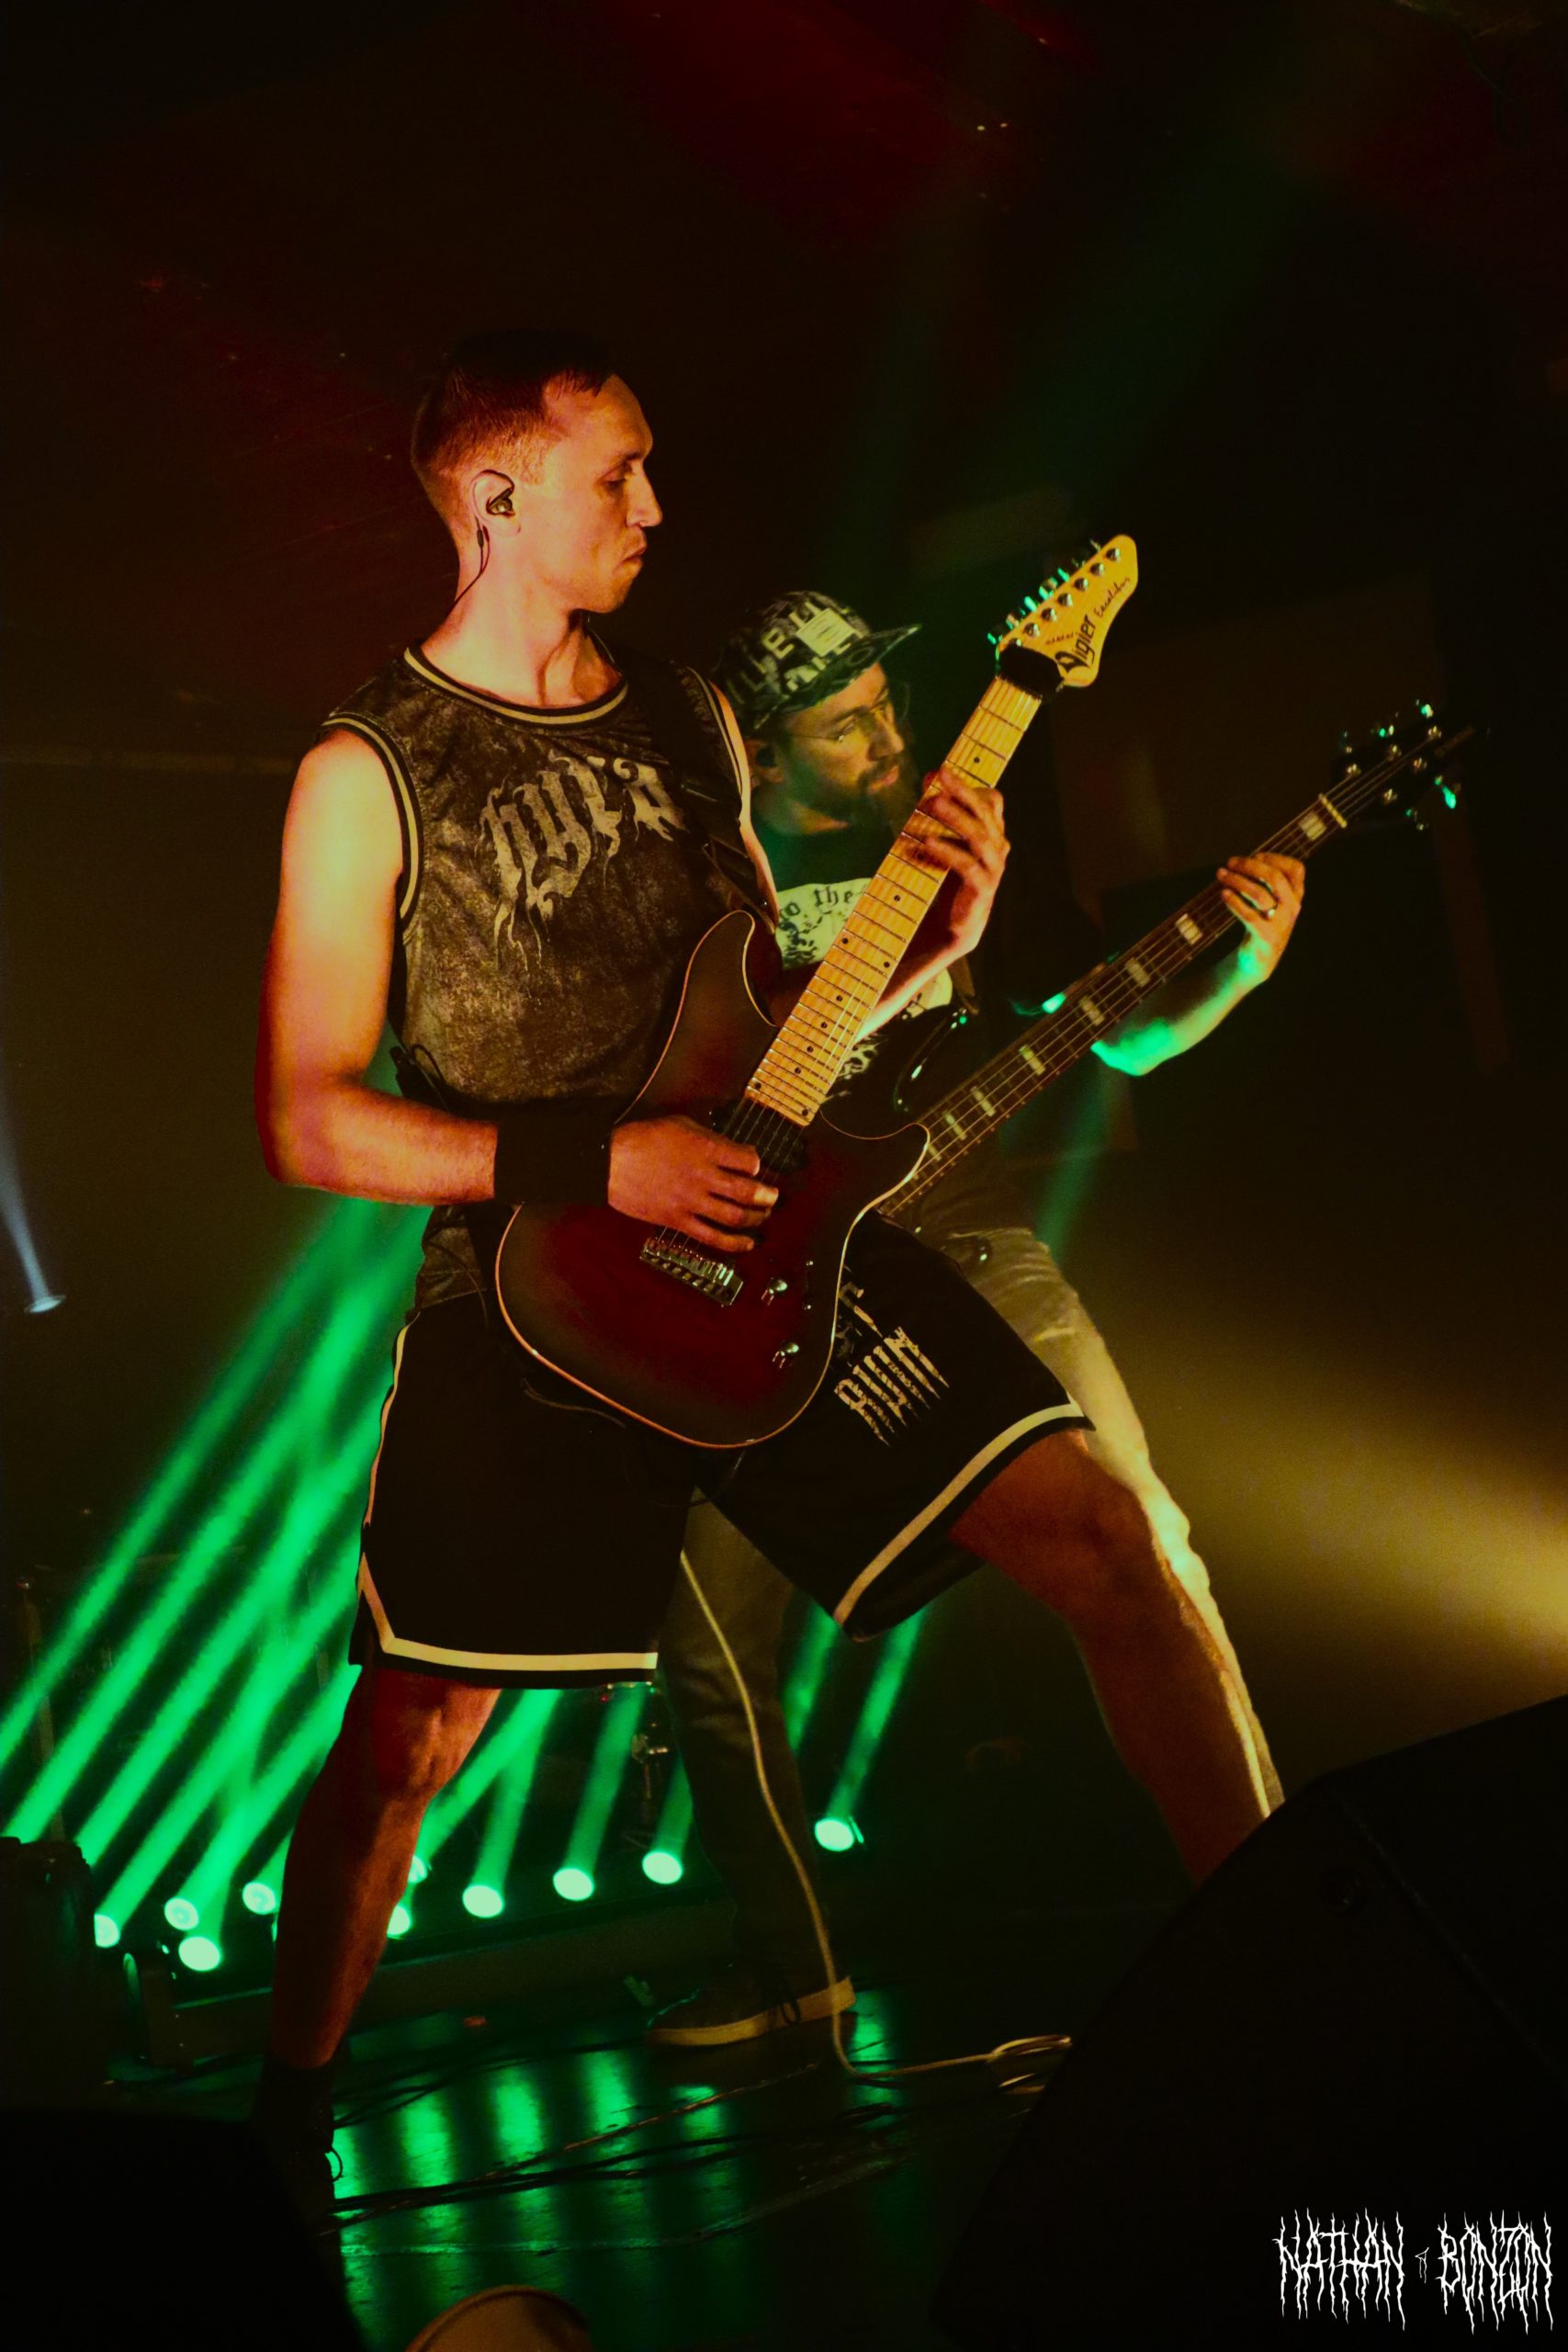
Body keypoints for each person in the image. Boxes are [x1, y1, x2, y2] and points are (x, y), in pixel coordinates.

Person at [249, 330, 1278, 2220]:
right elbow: (311, 1121)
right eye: (615, 473)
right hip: (537, 1294)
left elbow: (760, 1022)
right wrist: (596, 1158)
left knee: (1115, 1541)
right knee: (405, 1738)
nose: (655, 506)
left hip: (764, 1237)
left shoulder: (685, 716)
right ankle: (274, 2129)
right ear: (495, 497)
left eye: (649, 468)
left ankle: (1299, 1977)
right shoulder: (364, 768)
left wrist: (919, 949)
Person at [648, 591, 1303, 2047]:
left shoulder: (955, 833)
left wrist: (1237, 975)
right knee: (705, 1639)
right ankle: (794, 1972)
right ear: (763, 753)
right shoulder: (709, 883)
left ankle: (1274, 1903)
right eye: (846, 725)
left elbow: (1116, 1036)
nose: (888, 739)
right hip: (769, 1262)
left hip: (970, 1229)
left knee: (1148, 1538)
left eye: (889, 704)